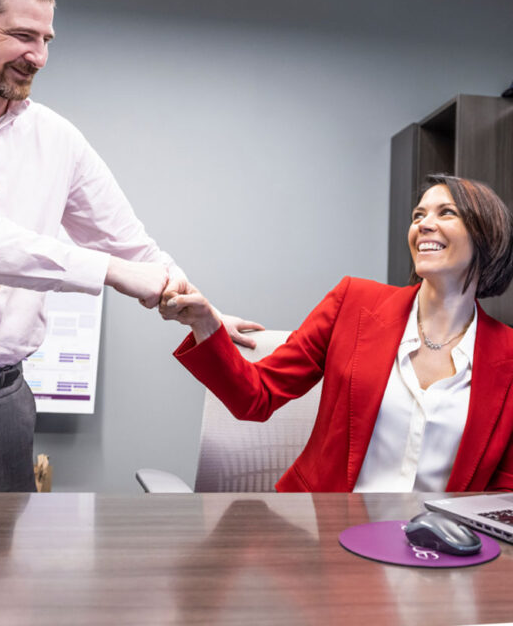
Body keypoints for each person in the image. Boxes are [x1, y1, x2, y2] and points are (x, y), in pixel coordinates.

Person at [0, 0, 261, 492]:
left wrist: (200, 307)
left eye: (47, 40)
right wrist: (108, 272)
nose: (40, 56)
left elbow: (128, 243)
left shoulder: (57, 139)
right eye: (23, 36)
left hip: (3, 406)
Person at [161, 174, 513, 492]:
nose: (424, 225)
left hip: (439, 548)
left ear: (486, 236)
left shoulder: (507, 354)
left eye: (446, 213)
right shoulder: (353, 302)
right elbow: (256, 396)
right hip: (327, 535)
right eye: (418, 215)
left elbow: (503, 489)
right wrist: (206, 324)